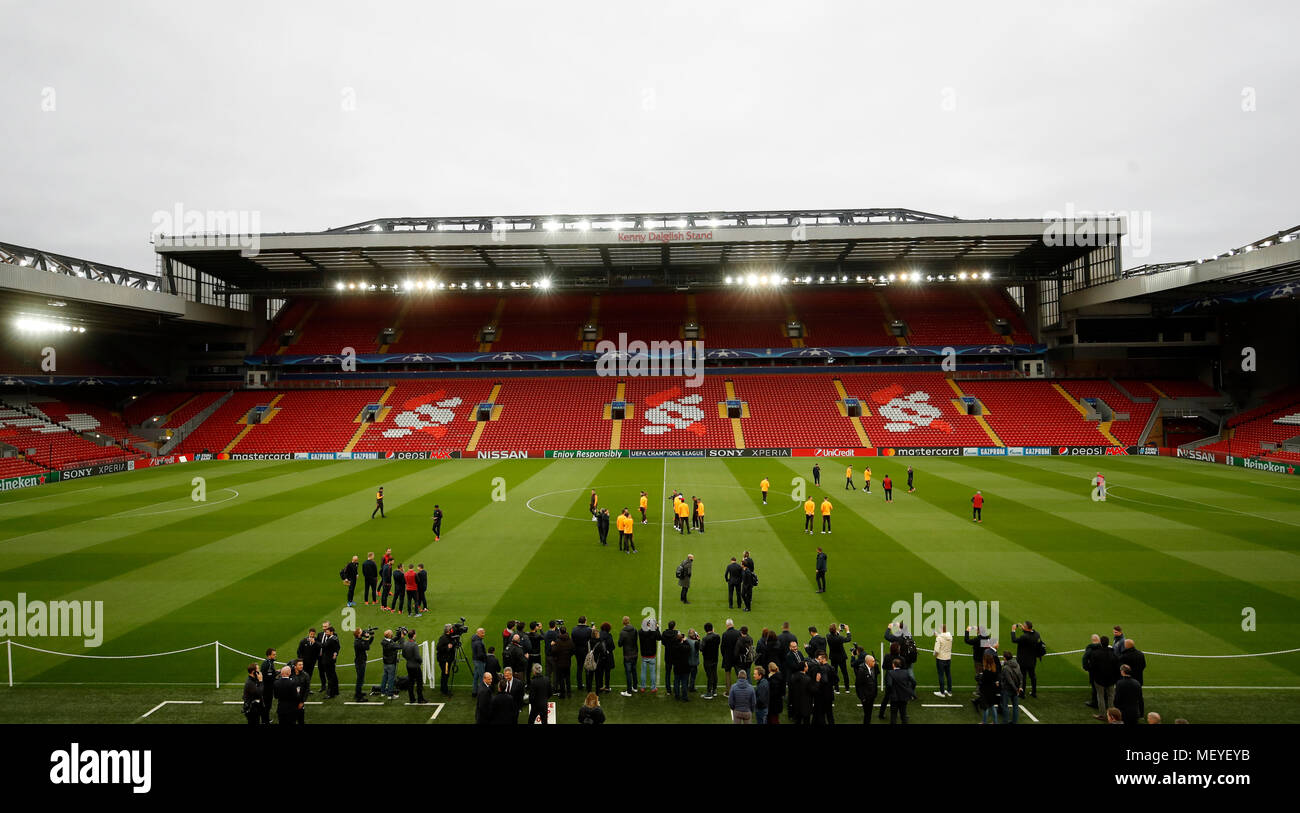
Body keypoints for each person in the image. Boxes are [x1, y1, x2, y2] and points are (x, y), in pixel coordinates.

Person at [1090, 635, 1120, 719]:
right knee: (1111, 696)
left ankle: (1102, 715)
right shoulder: (1113, 653)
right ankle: (1112, 715)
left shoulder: (1095, 653)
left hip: (1099, 679)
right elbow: (1117, 667)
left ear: (1100, 643)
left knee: (1100, 696)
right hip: (1111, 679)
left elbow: (1092, 667)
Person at [1011, 621, 1042, 698]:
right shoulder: (1037, 634)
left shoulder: (1024, 637)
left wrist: (1013, 630)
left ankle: (1022, 693)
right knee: (1033, 676)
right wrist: (1024, 629)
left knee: (1022, 677)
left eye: (1024, 626)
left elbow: (1014, 640)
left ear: (1027, 628)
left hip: (1023, 660)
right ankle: (1034, 692)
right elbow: (1030, 633)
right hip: (1032, 660)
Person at [1120, 639, 1147, 718]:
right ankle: (1141, 713)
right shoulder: (1140, 654)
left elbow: (1122, 667)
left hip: (1128, 680)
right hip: (1138, 679)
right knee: (1139, 697)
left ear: (1127, 646)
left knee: (1127, 698)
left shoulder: (1125, 656)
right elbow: (1143, 666)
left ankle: (1128, 714)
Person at [854, 653, 879, 725]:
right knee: (867, 714)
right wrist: (862, 698)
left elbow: (875, 680)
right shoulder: (861, 671)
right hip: (865, 697)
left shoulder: (874, 667)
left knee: (869, 713)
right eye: (873, 661)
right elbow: (858, 685)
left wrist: (875, 693)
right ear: (868, 662)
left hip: (872, 696)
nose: (875, 662)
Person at [637, 618, 660, 694]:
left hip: (644, 655)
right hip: (652, 655)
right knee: (652, 672)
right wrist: (657, 628)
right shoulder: (653, 632)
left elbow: (642, 629)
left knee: (643, 672)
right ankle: (653, 688)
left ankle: (643, 687)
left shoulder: (640, 632)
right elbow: (659, 638)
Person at [403, 628, 425, 704]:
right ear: (414, 635)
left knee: (411, 682)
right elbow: (417, 657)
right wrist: (420, 661)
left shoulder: (405, 643)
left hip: (408, 665)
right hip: (415, 666)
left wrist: (409, 659)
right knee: (419, 683)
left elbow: (403, 654)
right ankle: (420, 698)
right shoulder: (414, 644)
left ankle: (412, 699)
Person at [977, 652, 1000, 724]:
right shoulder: (994, 669)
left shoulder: (986, 671)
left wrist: (979, 678)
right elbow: (995, 680)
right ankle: (995, 722)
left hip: (985, 691)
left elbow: (983, 681)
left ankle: (984, 722)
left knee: (985, 708)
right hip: (992, 691)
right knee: (992, 707)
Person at [1082, 634, 1104, 708]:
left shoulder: (1090, 649)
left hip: (1093, 671)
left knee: (1094, 687)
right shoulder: (1104, 647)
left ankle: (1095, 702)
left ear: (1092, 640)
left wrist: (1087, 668)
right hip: (1103, 670)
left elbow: (1084, 659)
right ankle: (1104, 701)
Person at [827, 623, 851, 691]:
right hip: (841, 657)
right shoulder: (840, 638)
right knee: (844, 673)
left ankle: (836, 689)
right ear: (835, 630)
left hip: (833, 657)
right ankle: (847, 689)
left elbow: (833, 634)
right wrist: (847, 630)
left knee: (835, 673)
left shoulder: (828, 636)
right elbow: (848, 639)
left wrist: (838, 631)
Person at [618, 616, 639, 696]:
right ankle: (635, 687)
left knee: (628, 673)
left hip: (627, 655)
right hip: (635, 654)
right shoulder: (634, 629)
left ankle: (629, 691)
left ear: (623, 622)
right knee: (634, 671)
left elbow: (620, 644)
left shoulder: (623, 632)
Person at [318, 627, 340, 698]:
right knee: (333, 675)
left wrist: (314, 642)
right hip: (331, 660)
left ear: (331, 632)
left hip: (328, 660)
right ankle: (336, 691)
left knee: (330, 677)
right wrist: (335, 653)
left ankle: (330, 693)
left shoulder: (330, 640)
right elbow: (338, 647)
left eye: (327, 632)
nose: (326, 633)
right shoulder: (335, 638)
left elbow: (324, 645)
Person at [552, 626, 574, 699]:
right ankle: (569, 693)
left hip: (559, 663)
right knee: (567, 678)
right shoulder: (570, 640)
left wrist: (552, 646)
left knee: (561, 679)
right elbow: (573, 650)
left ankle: (562, 694)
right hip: (567, 662)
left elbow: (554, 651)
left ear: (560, 632)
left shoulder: (558, 641)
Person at [1001, 651, 1022, 723]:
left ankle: (1005, 721)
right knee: (1015, 706)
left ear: (1005, 658)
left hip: (1008, 689)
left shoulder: (1006, 668)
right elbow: (1020, 677)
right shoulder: (1017, 664)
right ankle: (1014, 721)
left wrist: (1016, 689)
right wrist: (1019, 687)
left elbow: (1010, 681)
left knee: (1005, 706)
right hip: (1016, 688)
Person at [352, 628, 373, 702]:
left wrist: (372, 636)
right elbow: (367, 647)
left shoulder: (359, 640)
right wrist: (367, 637)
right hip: (360, 662)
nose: (363, 632)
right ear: (358, 634)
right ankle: (358, 697)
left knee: (360, 679)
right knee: (360, 680)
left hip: (361, 661)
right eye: (361, 632)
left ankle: (358, 693)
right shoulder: (357, 642)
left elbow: (368, 643)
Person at [435, 624, 457, 696]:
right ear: (449, 630)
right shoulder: (443, 638)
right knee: (445, 674)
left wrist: (452, 643)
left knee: (445, 674)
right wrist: (447, 647)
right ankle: (445, 690)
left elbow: (452, 642)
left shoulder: (449, 637)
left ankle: (443, 688)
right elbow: (438, 648)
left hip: (447, 659)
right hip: (445, 660)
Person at [700, 622, 720, 699]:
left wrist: (699, 642)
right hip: (715, 658)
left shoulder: (705, 638)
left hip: (708, 659)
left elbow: (701, 648)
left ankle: (709, 693)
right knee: (714, 674)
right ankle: (714, 690)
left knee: (709, 676)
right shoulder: (717, 636)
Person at [933, 624, 953, 697]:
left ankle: (942, 692)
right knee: (948, 675)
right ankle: (949, 691)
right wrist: (937, 635)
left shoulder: (939, 638)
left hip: (940, 659)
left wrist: (934, 655)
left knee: (941, 675)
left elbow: (936, 650)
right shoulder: (950, 637)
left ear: (941, 629)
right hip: (948, 658)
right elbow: (944, 638)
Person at [720, 618, 740, 692]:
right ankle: (740, 690)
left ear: (726, 625)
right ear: (733, 624)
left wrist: (724, 656)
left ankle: (728, 692)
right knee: (739, 674)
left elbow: (722, 647)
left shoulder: (725, 634)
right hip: (736, 657)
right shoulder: (738, 633)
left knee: (728, 674)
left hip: (727, 657)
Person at [379, 629, 400, 698]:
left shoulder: (384, 641)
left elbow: (393, 639)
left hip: (386, 663)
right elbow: (400, 646)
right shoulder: (391, 644)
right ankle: (390, 694)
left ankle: (382, 692)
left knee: (384, 678)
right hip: (391, 663)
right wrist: (402, 637)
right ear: (390, 635)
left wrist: (398, 634)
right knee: (391, 679)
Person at [257, 649, 276, 724]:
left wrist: (276, 672)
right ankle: (264, 721)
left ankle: (266, 720)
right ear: (269, 655)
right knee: (267, 705)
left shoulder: (269, 662)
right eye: (274, 654)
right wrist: (277, 674)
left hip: (267, 688)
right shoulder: (267, 664)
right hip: (267, 689)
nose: (275, 656)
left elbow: (270, 674)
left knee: (267, 705)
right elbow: (268, 677)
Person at [470, 628, 488, 696]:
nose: (484, 634)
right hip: (479, 661)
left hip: (475, 660)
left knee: (476, 677)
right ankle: (482, 693)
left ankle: (474, 692)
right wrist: (485, 658)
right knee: (481, 677)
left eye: (484, 632)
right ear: (478, 633)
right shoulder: (479, 642)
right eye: (482, 633)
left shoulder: (474, 639)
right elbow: (480, 654)